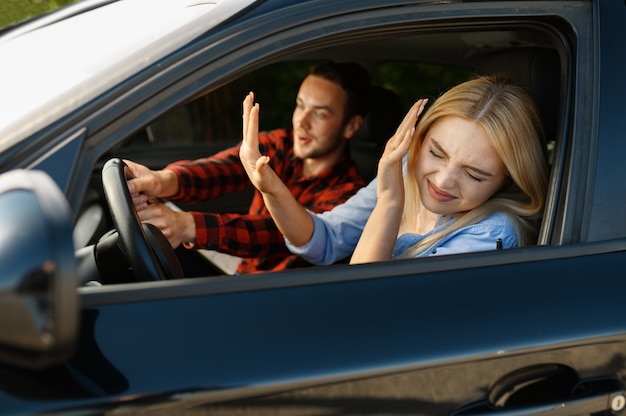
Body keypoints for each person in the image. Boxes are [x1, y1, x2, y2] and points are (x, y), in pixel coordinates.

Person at [240, 75, 549, 264]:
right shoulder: (405, 167)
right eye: (436, 153)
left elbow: (368, 305)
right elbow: (325, 241)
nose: (443, 181)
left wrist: (389, 202)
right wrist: (270, 188)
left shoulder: (491, 232)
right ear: (419, 138)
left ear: (507, 178)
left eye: (475, 174)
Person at [125, 61, 372, 273]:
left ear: (351, 126)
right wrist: (161, 180)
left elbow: (281, 233)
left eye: (320, 114)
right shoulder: (282, 144)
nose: (301, 121)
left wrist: (185, 226)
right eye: (300, 105)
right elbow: (222, 169)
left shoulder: (349, 194)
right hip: (239, 274)